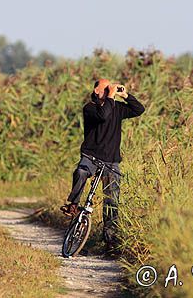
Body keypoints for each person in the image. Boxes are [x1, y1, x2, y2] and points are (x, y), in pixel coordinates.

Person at [60, 78, 145, 252]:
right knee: (81, 172)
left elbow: (139, 110)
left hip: (111, 161)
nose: (108, 91)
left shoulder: (117, 108)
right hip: (90, 156)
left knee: (112, 200)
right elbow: (103, 114)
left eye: (110, 89)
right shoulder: (90, 108)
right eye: (105, 89)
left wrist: (125, 95)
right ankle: (73, 204)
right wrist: (111, 97)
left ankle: (110, 240)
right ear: (97, 91)